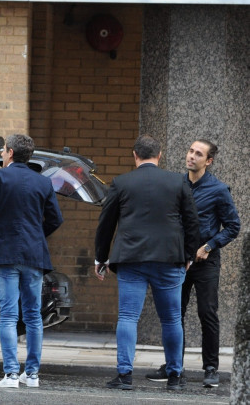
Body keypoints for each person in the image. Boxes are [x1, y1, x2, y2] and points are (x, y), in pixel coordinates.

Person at [95, 135, 199, 391]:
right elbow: (192, 222)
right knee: (172, 319)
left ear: (135, 155)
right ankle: (175, 376)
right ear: (159, 155)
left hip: (132, 258)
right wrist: (188, 255)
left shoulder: (121, 182)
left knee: (128, 317)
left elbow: (106, 223)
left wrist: (101, 257)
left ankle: (125, 375)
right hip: (169, 258)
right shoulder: (177, 181)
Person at [145, 139, 240, 388]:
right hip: (178, 259)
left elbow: (233, 226)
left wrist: (209, 246)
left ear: (208, 161)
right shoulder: (176, 185)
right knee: (174, 314)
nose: (191, 156)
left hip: (206, 261)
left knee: (207, 312)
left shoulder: (219, 189)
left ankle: (211, 368)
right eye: (190, 151)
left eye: (198, 154)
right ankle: (174, 366)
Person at [0, 134, 63, 389]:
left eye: (3, 151)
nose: (2, 154)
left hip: (5, 253)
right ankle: (32, 375)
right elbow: (55, 219)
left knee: (9, 314)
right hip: (34, 255)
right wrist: (36, 235)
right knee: (34, 315)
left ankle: (11, 374)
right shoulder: (42, 182)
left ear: (10, 152)